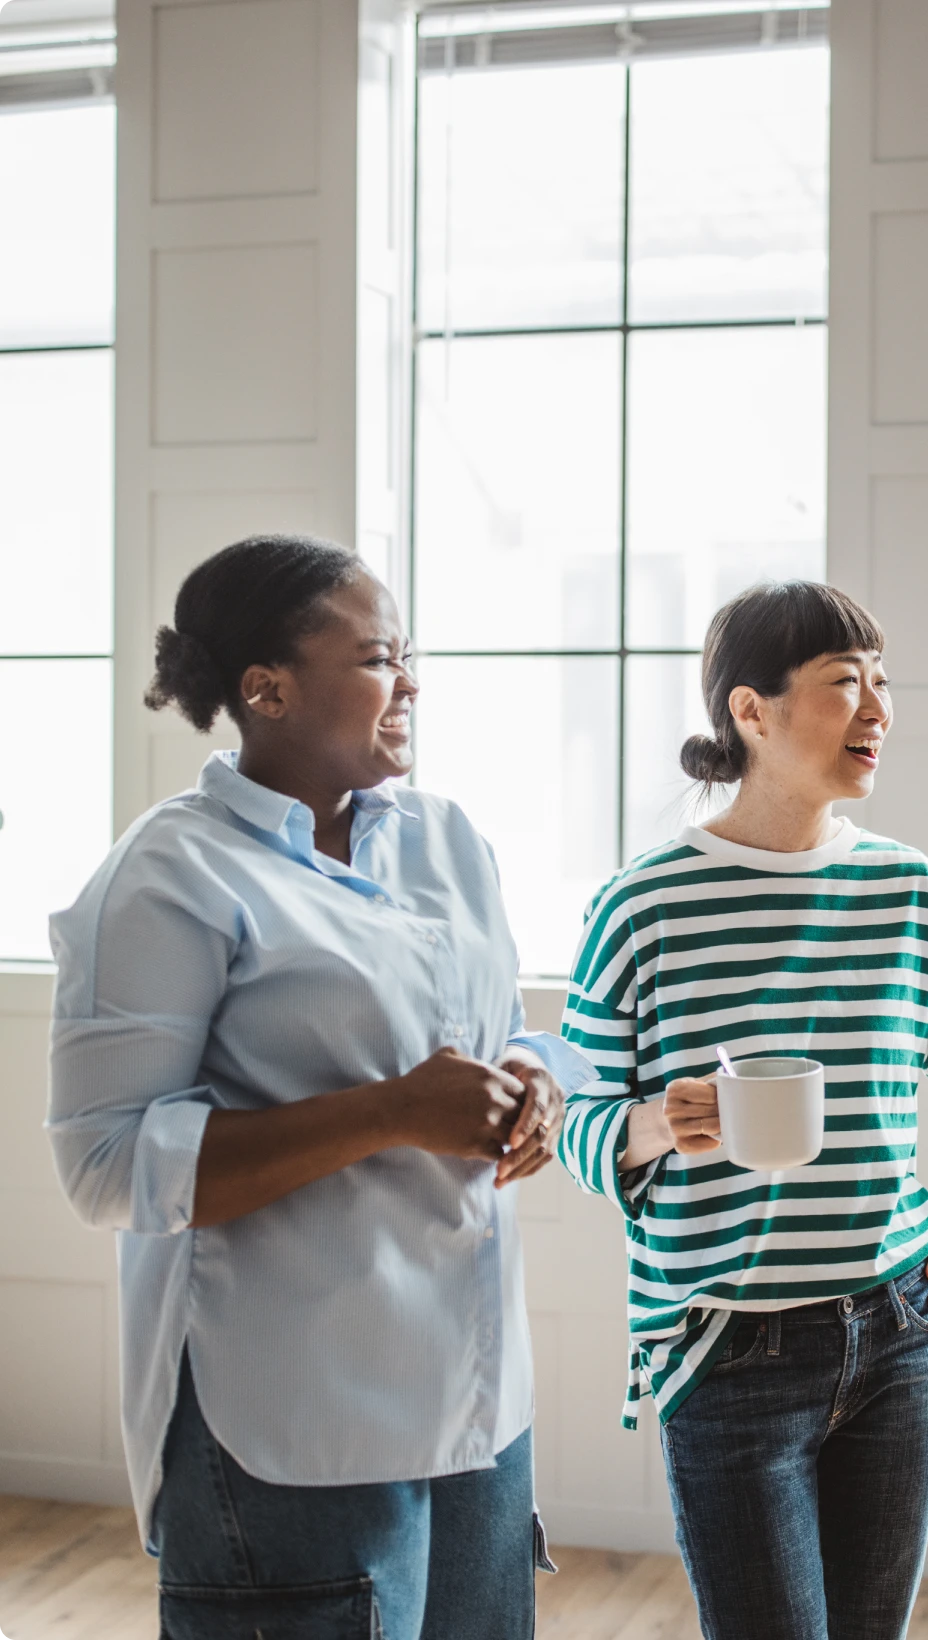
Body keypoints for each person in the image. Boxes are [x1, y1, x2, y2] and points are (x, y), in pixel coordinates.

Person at [47, 535, 591, 1640]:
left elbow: (501, 1036)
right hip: (289, 1422)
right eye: (382, 656)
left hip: (481, 1405)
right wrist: (389, 1111)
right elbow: (106, 1163)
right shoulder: (168, 875)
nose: (412, 683)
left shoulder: (447, 839)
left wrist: (537, 1076)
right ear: (268, 688)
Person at [557, 580, 928, 1640]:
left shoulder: (911, 891)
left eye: (881, 680)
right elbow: (571, 1114)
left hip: (900, 1330)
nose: (877, 707)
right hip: (725, 1345)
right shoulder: (643, 903)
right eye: (842, 682)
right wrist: (654, 1122)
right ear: (749, 711)